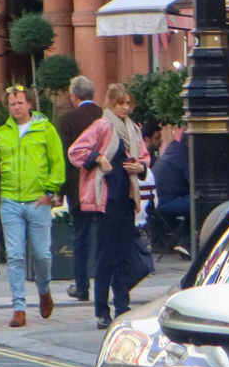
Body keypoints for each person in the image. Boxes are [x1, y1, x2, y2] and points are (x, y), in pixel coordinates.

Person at [67, 83, 151, 329]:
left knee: (124, 255)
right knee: (105, 257)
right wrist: (98, 159)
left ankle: (122, 306)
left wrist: (141, 167)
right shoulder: (102, 126)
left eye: (127, 103)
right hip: (104, 200)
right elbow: (76, 151)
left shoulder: (133, 129)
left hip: (126, 198)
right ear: (110, 104)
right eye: (120, 103)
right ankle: (102, 310)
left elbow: (144, 158)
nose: (125, 108)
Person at [0, 83, 64, 327]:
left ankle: (43, 289)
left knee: (42, 254)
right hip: (10, 201)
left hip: (38, 200)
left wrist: (50, 192)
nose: (16, 107)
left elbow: (57, 163)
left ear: (29, 104)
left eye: (20, 102)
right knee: (15, 255)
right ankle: (18, 307)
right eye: (12, 104)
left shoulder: (45, 129)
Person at [54, 76, 104, 302]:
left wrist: (61, 191)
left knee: (81, 238)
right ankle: (106, 283)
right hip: (104, 186)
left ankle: (82, 286)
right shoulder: (105, 116)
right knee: (105, 238)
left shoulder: (67, 120)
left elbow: (65, 157)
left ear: (74, 96)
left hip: (79, 189)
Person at [148, 121, 190, 253]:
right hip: (166, 202)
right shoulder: (183, 155)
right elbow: (195, 182)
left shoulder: (174, 150)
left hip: (158, 201)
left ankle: (184, 239)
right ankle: (187, 242)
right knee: (200, 203)